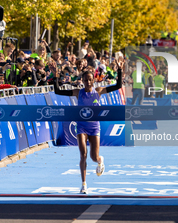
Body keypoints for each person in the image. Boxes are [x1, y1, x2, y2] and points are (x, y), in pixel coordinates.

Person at [52, 59, 124, 194]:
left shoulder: (99, 91)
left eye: (90, 79)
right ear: (82, 81)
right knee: (83, 155)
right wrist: (55, 75)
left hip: (94, 127)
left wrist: (119, 70)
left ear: (94, 80)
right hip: (81, 127)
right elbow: (57, 91)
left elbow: (118, 85)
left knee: (93, 157)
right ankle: (84, 184)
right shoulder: (78, 92)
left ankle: (100, 161)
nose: (88, 82)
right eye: (85, 80)